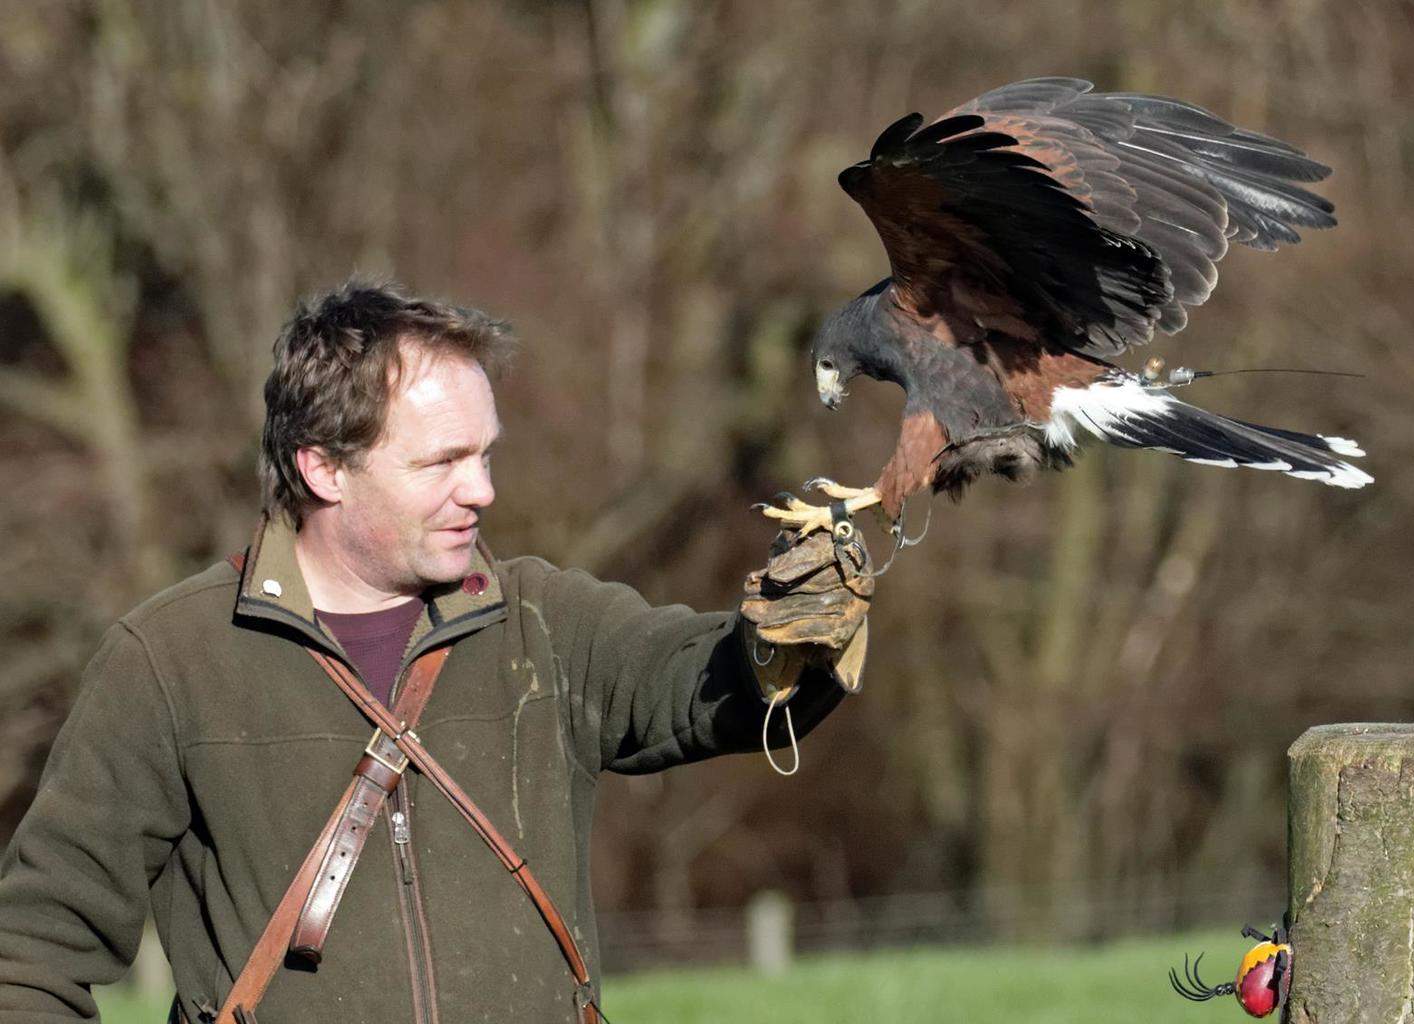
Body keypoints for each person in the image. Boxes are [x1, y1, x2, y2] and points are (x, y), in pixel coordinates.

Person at [0, 281, 871, 1023]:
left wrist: (787, 644)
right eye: (442, 462)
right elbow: (31, 956)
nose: (481, 489)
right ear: (324, 467)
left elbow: (702, 678)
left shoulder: (543, 623)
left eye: (485, 454)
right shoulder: (170, 660)